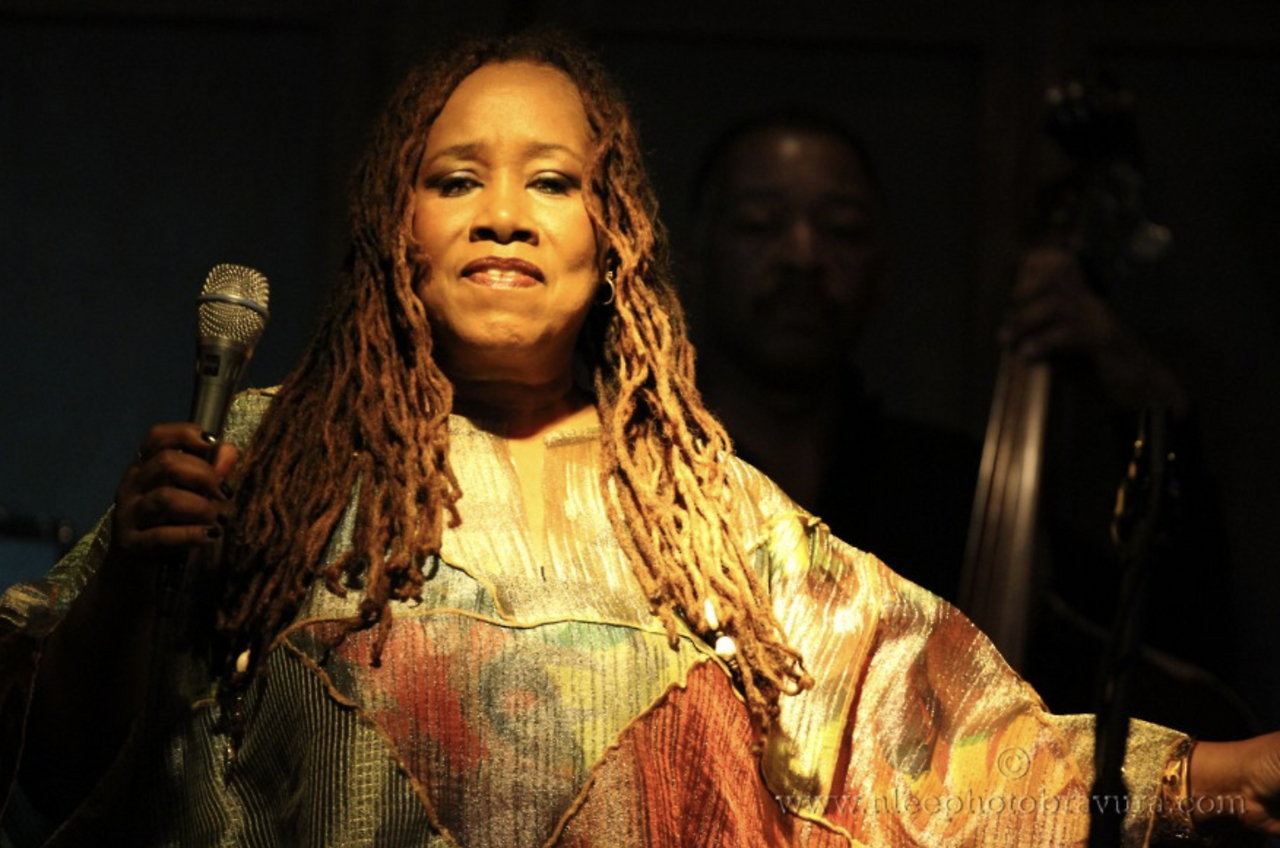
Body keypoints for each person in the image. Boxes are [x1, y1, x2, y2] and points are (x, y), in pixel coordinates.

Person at [1, 30, 1278, 848]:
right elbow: (51, 767)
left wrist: (1219, 774)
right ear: (397, 228)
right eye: (455, 178)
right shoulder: (264, 463)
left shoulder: (708, 517)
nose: (503, 213)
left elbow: (953, 760)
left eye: (552, 181)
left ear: (611, 239)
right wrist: (127, 588)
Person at [683, 111, 1249, 740]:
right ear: (696, 261)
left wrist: (1141, 392)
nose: (803, 255)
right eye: (759, 224)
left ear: (882, 274)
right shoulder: (652, 486)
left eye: (841, 229)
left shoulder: (955, 491)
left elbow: (1185, 633)